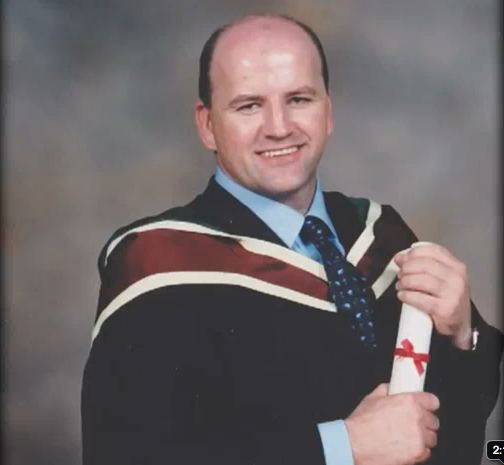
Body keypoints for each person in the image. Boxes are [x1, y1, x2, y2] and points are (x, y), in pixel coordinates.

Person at [81, 13, 503, 465]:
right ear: (207, 125)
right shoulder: (155, 262)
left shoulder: (381, 235)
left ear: (328, 111)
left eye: (299, 99)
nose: (279, 127)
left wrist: (463, 336)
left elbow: (456, 428)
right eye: (249, 106)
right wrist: (344, 446)